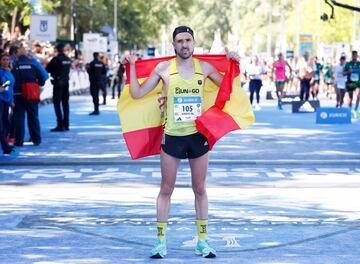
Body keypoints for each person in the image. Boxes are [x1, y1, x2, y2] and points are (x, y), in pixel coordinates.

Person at [123, 26, 240, 259]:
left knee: (200, 188)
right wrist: (132, 67)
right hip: (173, 136)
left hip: (198, 136)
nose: (184, 44)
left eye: (188, 40)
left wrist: (233, 64)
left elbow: (229, 88)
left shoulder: (204, 68)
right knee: (166, 188)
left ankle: (203, 242)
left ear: (194, 43)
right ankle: (160, 242)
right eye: (180, 41)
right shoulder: (164, 69)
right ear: (173, 45)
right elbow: (136, 94)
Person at [11, 45, 46, 146]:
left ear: (18, 56)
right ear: (27, 56)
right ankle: (36, 139)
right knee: (33, 117)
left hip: (18, 95)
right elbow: (43, 81)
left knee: (19, 118)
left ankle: (19, 141)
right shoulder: (34, 65)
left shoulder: (14, 65)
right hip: (31, 95)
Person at [46, 44, 72, 131]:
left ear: (57, 50)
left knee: (57, 104)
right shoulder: (68, 59)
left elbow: (47, 69)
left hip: (58, 83)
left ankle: (60, 125)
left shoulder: (56, 59)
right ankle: (66, 124)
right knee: (65, 104)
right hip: (66, 83)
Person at [0, 53, 16, 155]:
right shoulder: (0, 72)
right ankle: (6, 147)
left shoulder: (9, 72)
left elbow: (10, 88)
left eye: (7, 59)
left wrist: (12, 100)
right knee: (1, 125)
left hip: (7, 102)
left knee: (5, 124)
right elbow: (3, 87)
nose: (6, 61)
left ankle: (5, 145)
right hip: (0, 101)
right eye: (4, 59)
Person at [343, 50, 360, 118]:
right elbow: (343, 73)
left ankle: (355, 110)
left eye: (355, 55)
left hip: (357, 83)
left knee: (358, 96)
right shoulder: (348, 64)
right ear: (352, 56)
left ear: (357, 56)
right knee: (350, 98)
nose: (354, 57)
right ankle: (349, 111)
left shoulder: (359, 64)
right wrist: (348, 72)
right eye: (353, 55)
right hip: (350, 83)